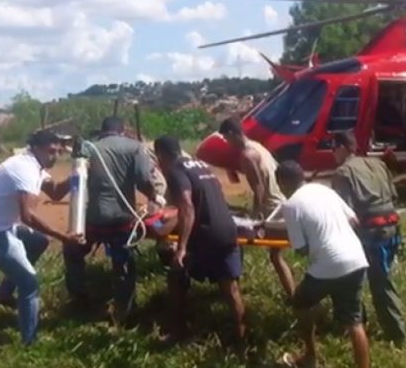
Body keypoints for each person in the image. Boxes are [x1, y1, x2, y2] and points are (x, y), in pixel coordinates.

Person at [0, 129, 82, 345]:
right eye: (50, 151)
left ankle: (4, 293)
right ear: (35, 148)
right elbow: (28, 216)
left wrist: (76, 176)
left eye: (57, 152)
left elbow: (55, 192)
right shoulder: (24, 169)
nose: (54, 156)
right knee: (29, 284)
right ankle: (30, 342)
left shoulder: (36, 166)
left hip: (0, 227)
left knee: (39, 241)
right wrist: (63, 237)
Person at [62, 116, 162, 322]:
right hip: (121, 219)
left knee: (73, 251)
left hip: (92, 219)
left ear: (102, 130)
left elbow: (77, 182)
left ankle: (79, 299)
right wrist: (155, 197)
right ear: (123, 130)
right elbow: (143, 180)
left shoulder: (90, 148)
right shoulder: (135, 147)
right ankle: (124, 310)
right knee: (124, 263)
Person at [276, 160, 371, 368]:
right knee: (354, 322)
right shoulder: (323, 189)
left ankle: (310, 357)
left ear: (282, 183)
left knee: (300, 303)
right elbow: (354, 220)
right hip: (356, 257)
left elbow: (301, 250)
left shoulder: (291, 205)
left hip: (328, 265)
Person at [153, 135, 246, 345]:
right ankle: (242, 338)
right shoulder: (201, 165)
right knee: (230, 288)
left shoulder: (176, 170)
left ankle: (178, 332)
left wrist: (182, 248)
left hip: (206, 234)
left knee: (176, 277)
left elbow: (187, 207)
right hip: (228, 230)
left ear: (161, 156)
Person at [330, 131, 406, 346]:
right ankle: (390, 330)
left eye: (333, 147)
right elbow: (393, 196)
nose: (331, 152)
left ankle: (387, 333)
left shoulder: (343, 172)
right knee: (382, 280)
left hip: (370, 232)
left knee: (358, 280)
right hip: (392, 228)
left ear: (343, 148)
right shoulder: (377, 164)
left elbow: (344, 212)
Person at [218, 116, 296, 298]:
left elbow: (258, 188)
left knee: (235, 237)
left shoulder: (246, 155)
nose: (227, 143)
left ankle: (233, 284)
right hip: (280, 203)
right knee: (276, 256)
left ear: (231, 134)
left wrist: (254, 216)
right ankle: (292, 295)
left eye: (226, 139)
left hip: (270, 209)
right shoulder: (258, 147)